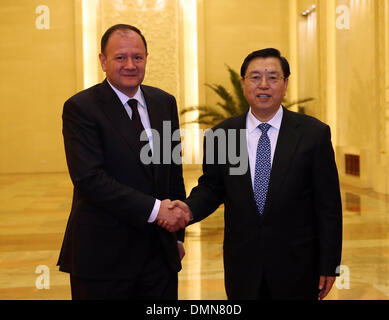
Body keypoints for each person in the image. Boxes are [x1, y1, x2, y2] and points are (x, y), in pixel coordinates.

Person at [163, 48, 343, 300]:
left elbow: (328, 206)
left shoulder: (313, 134)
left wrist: (330, 264)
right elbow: (212, 188)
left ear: (285, 83)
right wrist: (187, 210)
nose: (264, 85)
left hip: (298, 265)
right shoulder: (222, 135)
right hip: (243, 266)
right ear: (243, 83)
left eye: (273, 77)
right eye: (255, 77)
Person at [57, 24, 190, 300]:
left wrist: (177, 236)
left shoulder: (164, 103)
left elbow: (172, 173)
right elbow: (90, 179)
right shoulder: (81, 108)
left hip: (159, 255)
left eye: (137, 57)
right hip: (103, 258)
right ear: (103, 61)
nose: (130, 65)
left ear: (146, 59)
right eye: (120, 57)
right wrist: (157, 210)